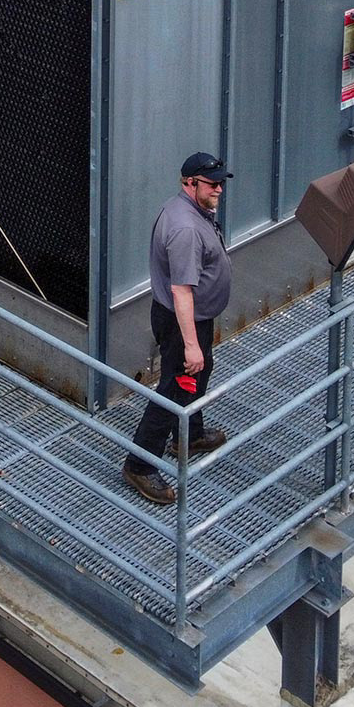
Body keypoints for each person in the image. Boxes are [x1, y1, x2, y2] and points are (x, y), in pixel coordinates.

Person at [122, 151, 233, 505]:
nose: (219, 190)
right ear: (189, 183)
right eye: (212, 184)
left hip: (190, 319)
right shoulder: (185, 228)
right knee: (176, 386)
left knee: (196, 377)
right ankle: (140, 464)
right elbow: (182, 291)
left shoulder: (185, 209)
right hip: (183, 321)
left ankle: (190, 435)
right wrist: (191, 346)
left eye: (220, 183)